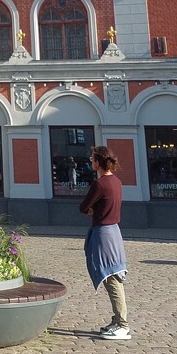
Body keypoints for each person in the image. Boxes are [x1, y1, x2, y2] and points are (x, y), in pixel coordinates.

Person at [79, 145, 131, 341]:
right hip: (113, 231)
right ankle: (118, 321)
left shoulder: (100, 184)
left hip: (104, 233)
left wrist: (91, 211)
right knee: (113, 277)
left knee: (112, 279)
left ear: (98, 162)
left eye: (92, 158)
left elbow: (84, 206)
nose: (91, 161)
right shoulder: (116, 181)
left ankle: (123, 325)